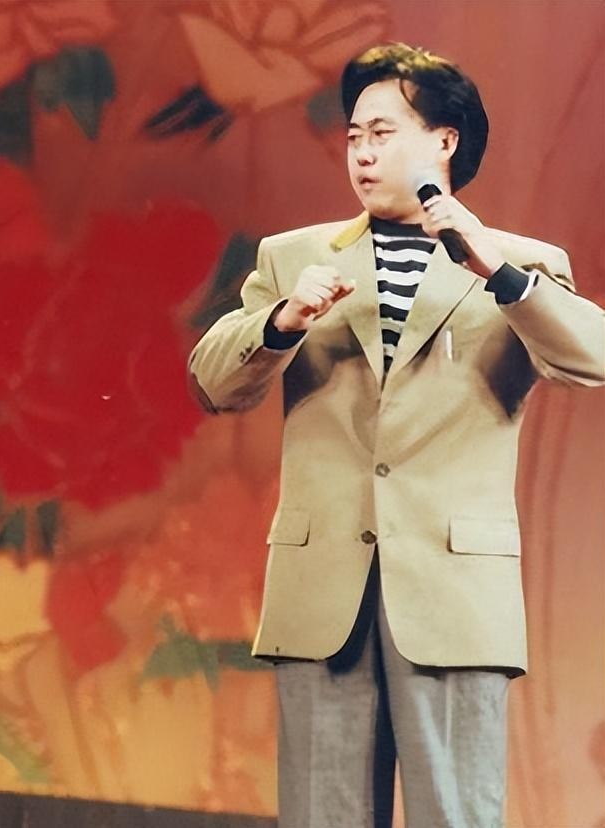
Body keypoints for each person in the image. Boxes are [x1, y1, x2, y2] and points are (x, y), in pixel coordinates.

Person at [188, 43, 604, 827]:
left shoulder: (519, 263)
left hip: (453, 590)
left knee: (456, 813)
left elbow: (592, 358)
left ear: (445, 140)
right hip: (324, 589)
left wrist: (499, 275)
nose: (363, 153)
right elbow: (212, 382)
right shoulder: (295, 257)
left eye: (382, 133)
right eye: (354, 136)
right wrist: (280, 322)